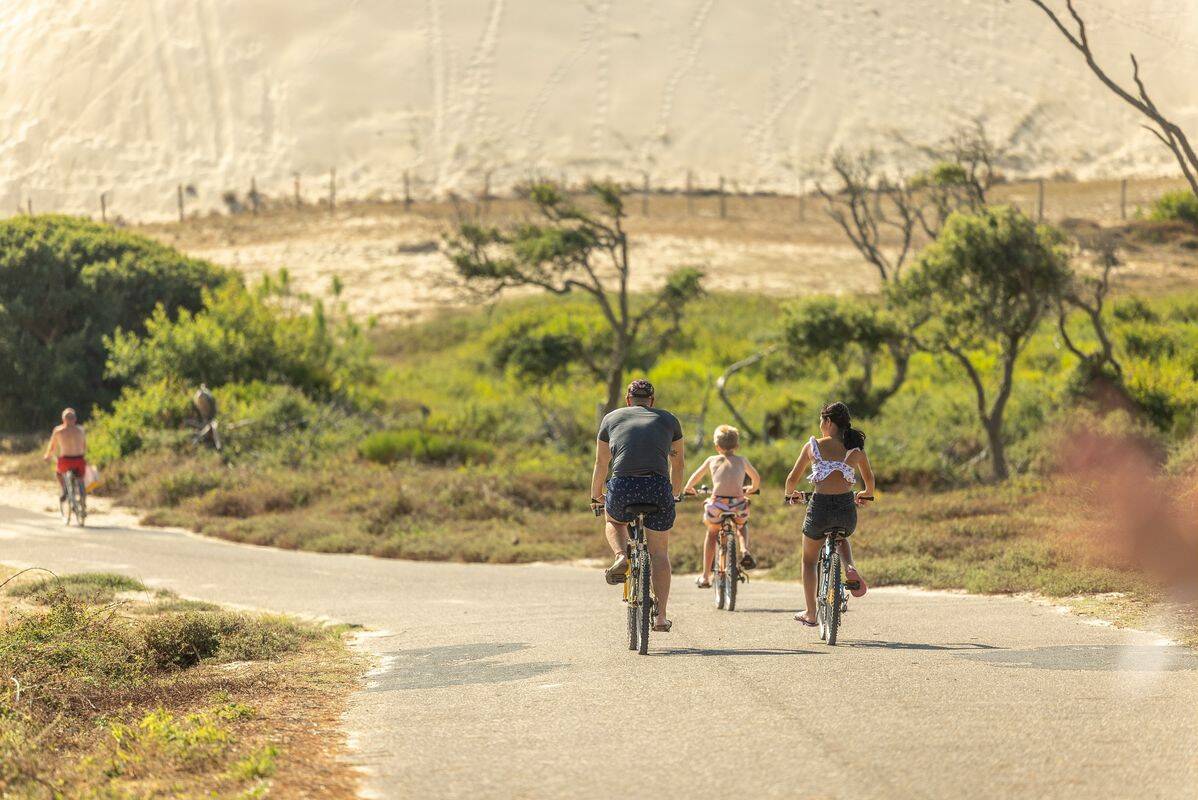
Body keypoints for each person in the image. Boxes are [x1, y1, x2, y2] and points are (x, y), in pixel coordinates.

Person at [590, 379, 684, 633]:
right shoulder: (669, 419)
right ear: (651, 401)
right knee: (659, 553)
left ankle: (621, 556)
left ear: (628, 400)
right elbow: (678, 464)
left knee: (613, 520)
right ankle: (661, 618)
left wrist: (596, 495)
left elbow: (601, 463)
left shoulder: (611, 418)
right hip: (657, 487)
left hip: (623, 486)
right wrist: (674, 494)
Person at [783, 402, 876, 627]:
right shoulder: (855, 449)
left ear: (827, 422)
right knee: (841, 537)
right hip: (846, 511)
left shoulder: (813, 446)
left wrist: (789, 495)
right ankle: (849, 567)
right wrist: (865, 494)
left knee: (808, 560)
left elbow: (792, 479)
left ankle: (811, 613)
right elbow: (870, 481)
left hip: (820, 509)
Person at [683, 424, 761, 588]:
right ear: (737, 446)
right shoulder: (742, 460)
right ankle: (744, 550)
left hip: (717, 505)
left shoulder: (712, 460)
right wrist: (752, 488)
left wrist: (689, 488)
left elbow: (695, 477)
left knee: (712, 534)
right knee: (742, 525)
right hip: (738, 504)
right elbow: (756, 478)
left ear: (716, 446)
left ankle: (705, 576)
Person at [43, 408, 88, 507]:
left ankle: (64, 489)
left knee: (59, 473)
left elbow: (52, 446)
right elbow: (85, 446)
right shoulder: (80, 430)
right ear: (75, 419)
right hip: (80, 459)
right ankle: (82, 499)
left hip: (66, 460)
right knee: (80, 478)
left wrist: (47, 456)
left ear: (63, 419)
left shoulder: (59, 430)